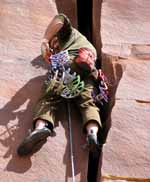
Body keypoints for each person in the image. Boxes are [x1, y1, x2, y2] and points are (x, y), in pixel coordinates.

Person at [17, 13, 102, 156]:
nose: (54, 46)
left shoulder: (68, 35)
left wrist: (45, 40)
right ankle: (92, 133)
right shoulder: (85, 45)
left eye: (54, 43)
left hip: (71, 64)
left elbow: (61, 18)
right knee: (88, 103)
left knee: (48, 98)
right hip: (88, 73)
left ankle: (41, 127)